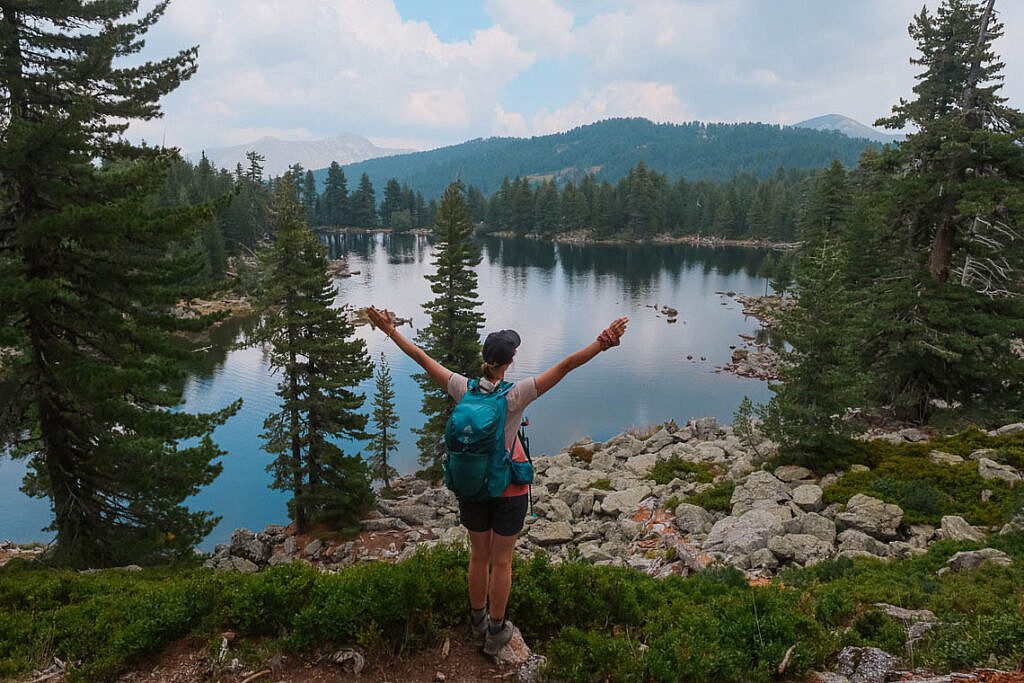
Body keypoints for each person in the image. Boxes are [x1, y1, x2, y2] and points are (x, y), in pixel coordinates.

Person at [365, 306, 628, 654]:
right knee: (502, 561)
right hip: (508, 491)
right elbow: (565, 366)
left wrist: (390, 330)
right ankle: (496, 633)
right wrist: (603, 342)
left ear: (484, 359)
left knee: (478, 556)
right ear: (510, 361)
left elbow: (421, 357)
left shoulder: (462, 388)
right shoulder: (516, 395)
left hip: (472, 488)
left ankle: (476, 623)